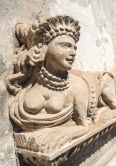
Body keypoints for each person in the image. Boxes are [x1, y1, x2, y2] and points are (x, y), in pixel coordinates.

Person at [5, 15, 91, 153]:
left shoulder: (77, 87)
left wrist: (56, 137)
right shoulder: (29, 81)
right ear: (44, 48)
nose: (73, 52)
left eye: (74, 47)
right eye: (66, 46)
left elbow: (84, 126)